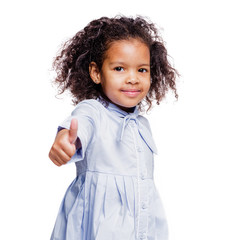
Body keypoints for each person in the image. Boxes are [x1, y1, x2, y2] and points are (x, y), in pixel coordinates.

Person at [48, 15, 178, 240]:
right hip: (97, 228)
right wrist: (66, 140)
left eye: (142, 70)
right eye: (119, 68)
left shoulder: (141, 124)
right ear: (96, 72)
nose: (133, 78)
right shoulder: (93, 111)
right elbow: (79, 125)